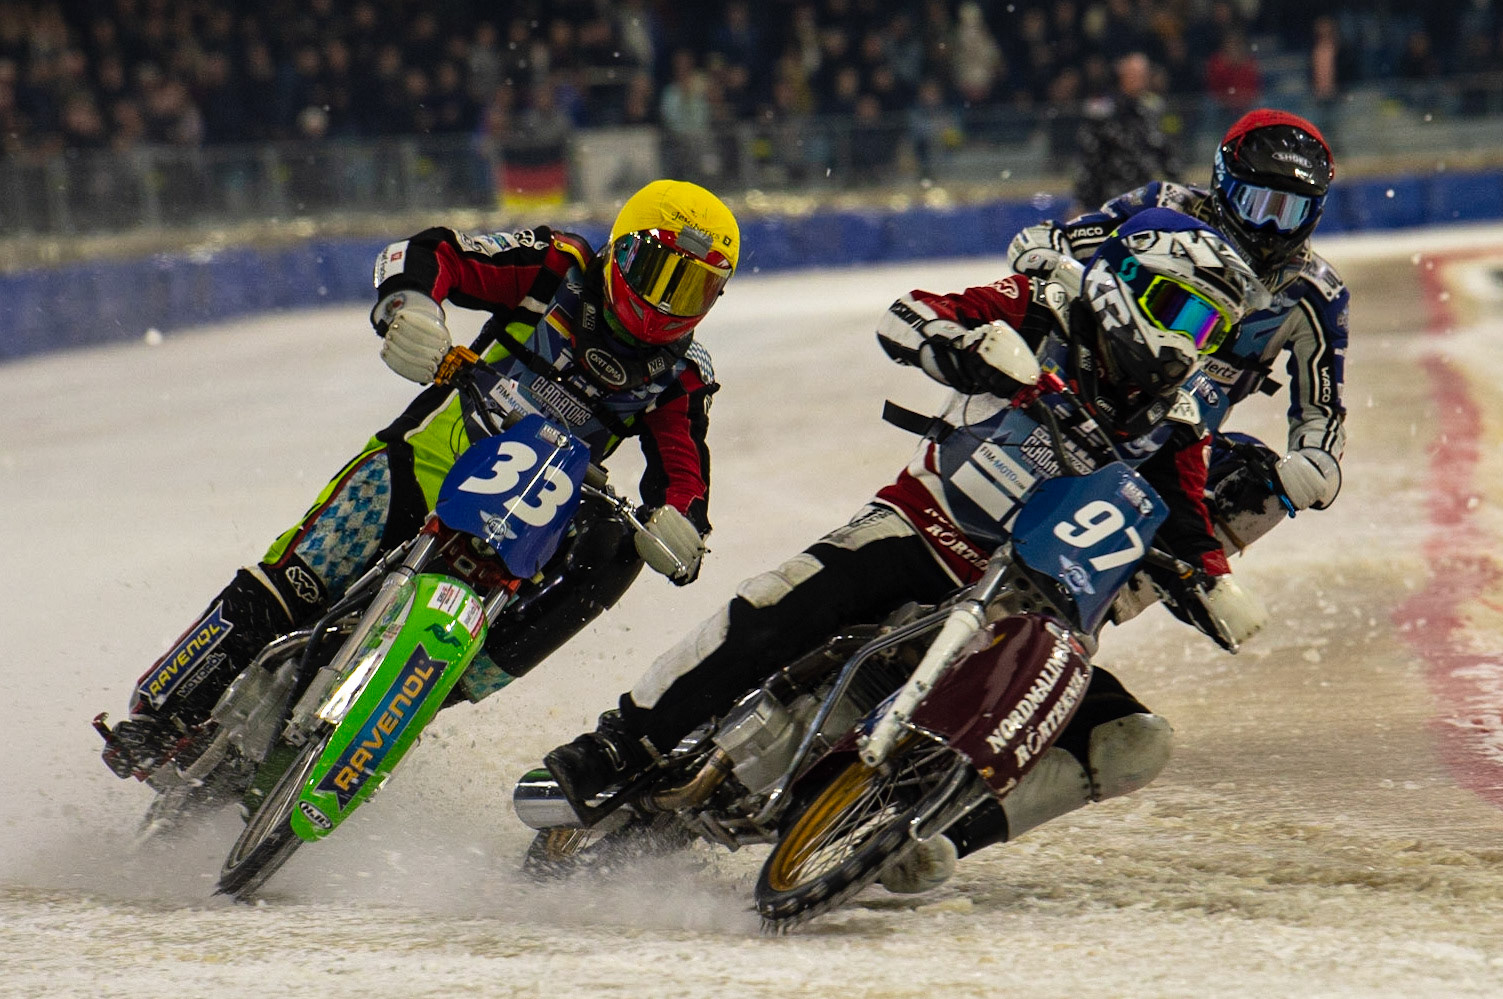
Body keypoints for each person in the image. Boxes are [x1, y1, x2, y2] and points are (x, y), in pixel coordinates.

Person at [539, 208, 1269, 892]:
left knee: (1131, 739)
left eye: (1209, 331)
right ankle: (619, 744)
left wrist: (1209, 580)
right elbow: (912, 313)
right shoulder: (1047, 303)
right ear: (1128, 281)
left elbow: (1185, 515)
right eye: (1184, 313)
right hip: (928, 524)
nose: (1188, 343)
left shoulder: (1177, 417)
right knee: (776, 609)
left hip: (1028, 605)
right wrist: (959, 348)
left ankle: (934, 833)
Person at [98, 179, 740, 782]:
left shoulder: (681, 375)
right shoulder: (557, 267)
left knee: (609, 552)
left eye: (694, 292)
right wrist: (410, 308)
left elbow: (685, 474)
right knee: (300, 581)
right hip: (422, 463)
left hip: (524, 530)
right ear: (622, 252)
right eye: (660, 276)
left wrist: (680, 525)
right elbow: (434, 254)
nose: (666, 305)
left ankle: (431, 695)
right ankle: (161, 712)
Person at [1009, 109, 1346, 544]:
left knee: (1255, 480)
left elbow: (1323, 408)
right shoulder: (1165, 209)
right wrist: (1063, 272)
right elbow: (1047, 241)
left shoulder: (1316, 292)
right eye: (1256, 204)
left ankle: (1140, 585)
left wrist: (1316, 461)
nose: (1269, 229)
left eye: (1289, 212)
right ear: (1224, 184)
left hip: (1175, 442)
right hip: (1084, 391)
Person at [1071, 51, 1179, 211]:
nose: (1139, 80)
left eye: (1143, 74)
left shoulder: (1154, 109)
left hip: (1143, 197)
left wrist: (1178, 188)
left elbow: (1166, 152)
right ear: (1122, 75)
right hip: (1109, 199)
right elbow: (1089, 158)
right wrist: (1082, 201)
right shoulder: (1103, 111)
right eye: (1134, 74)